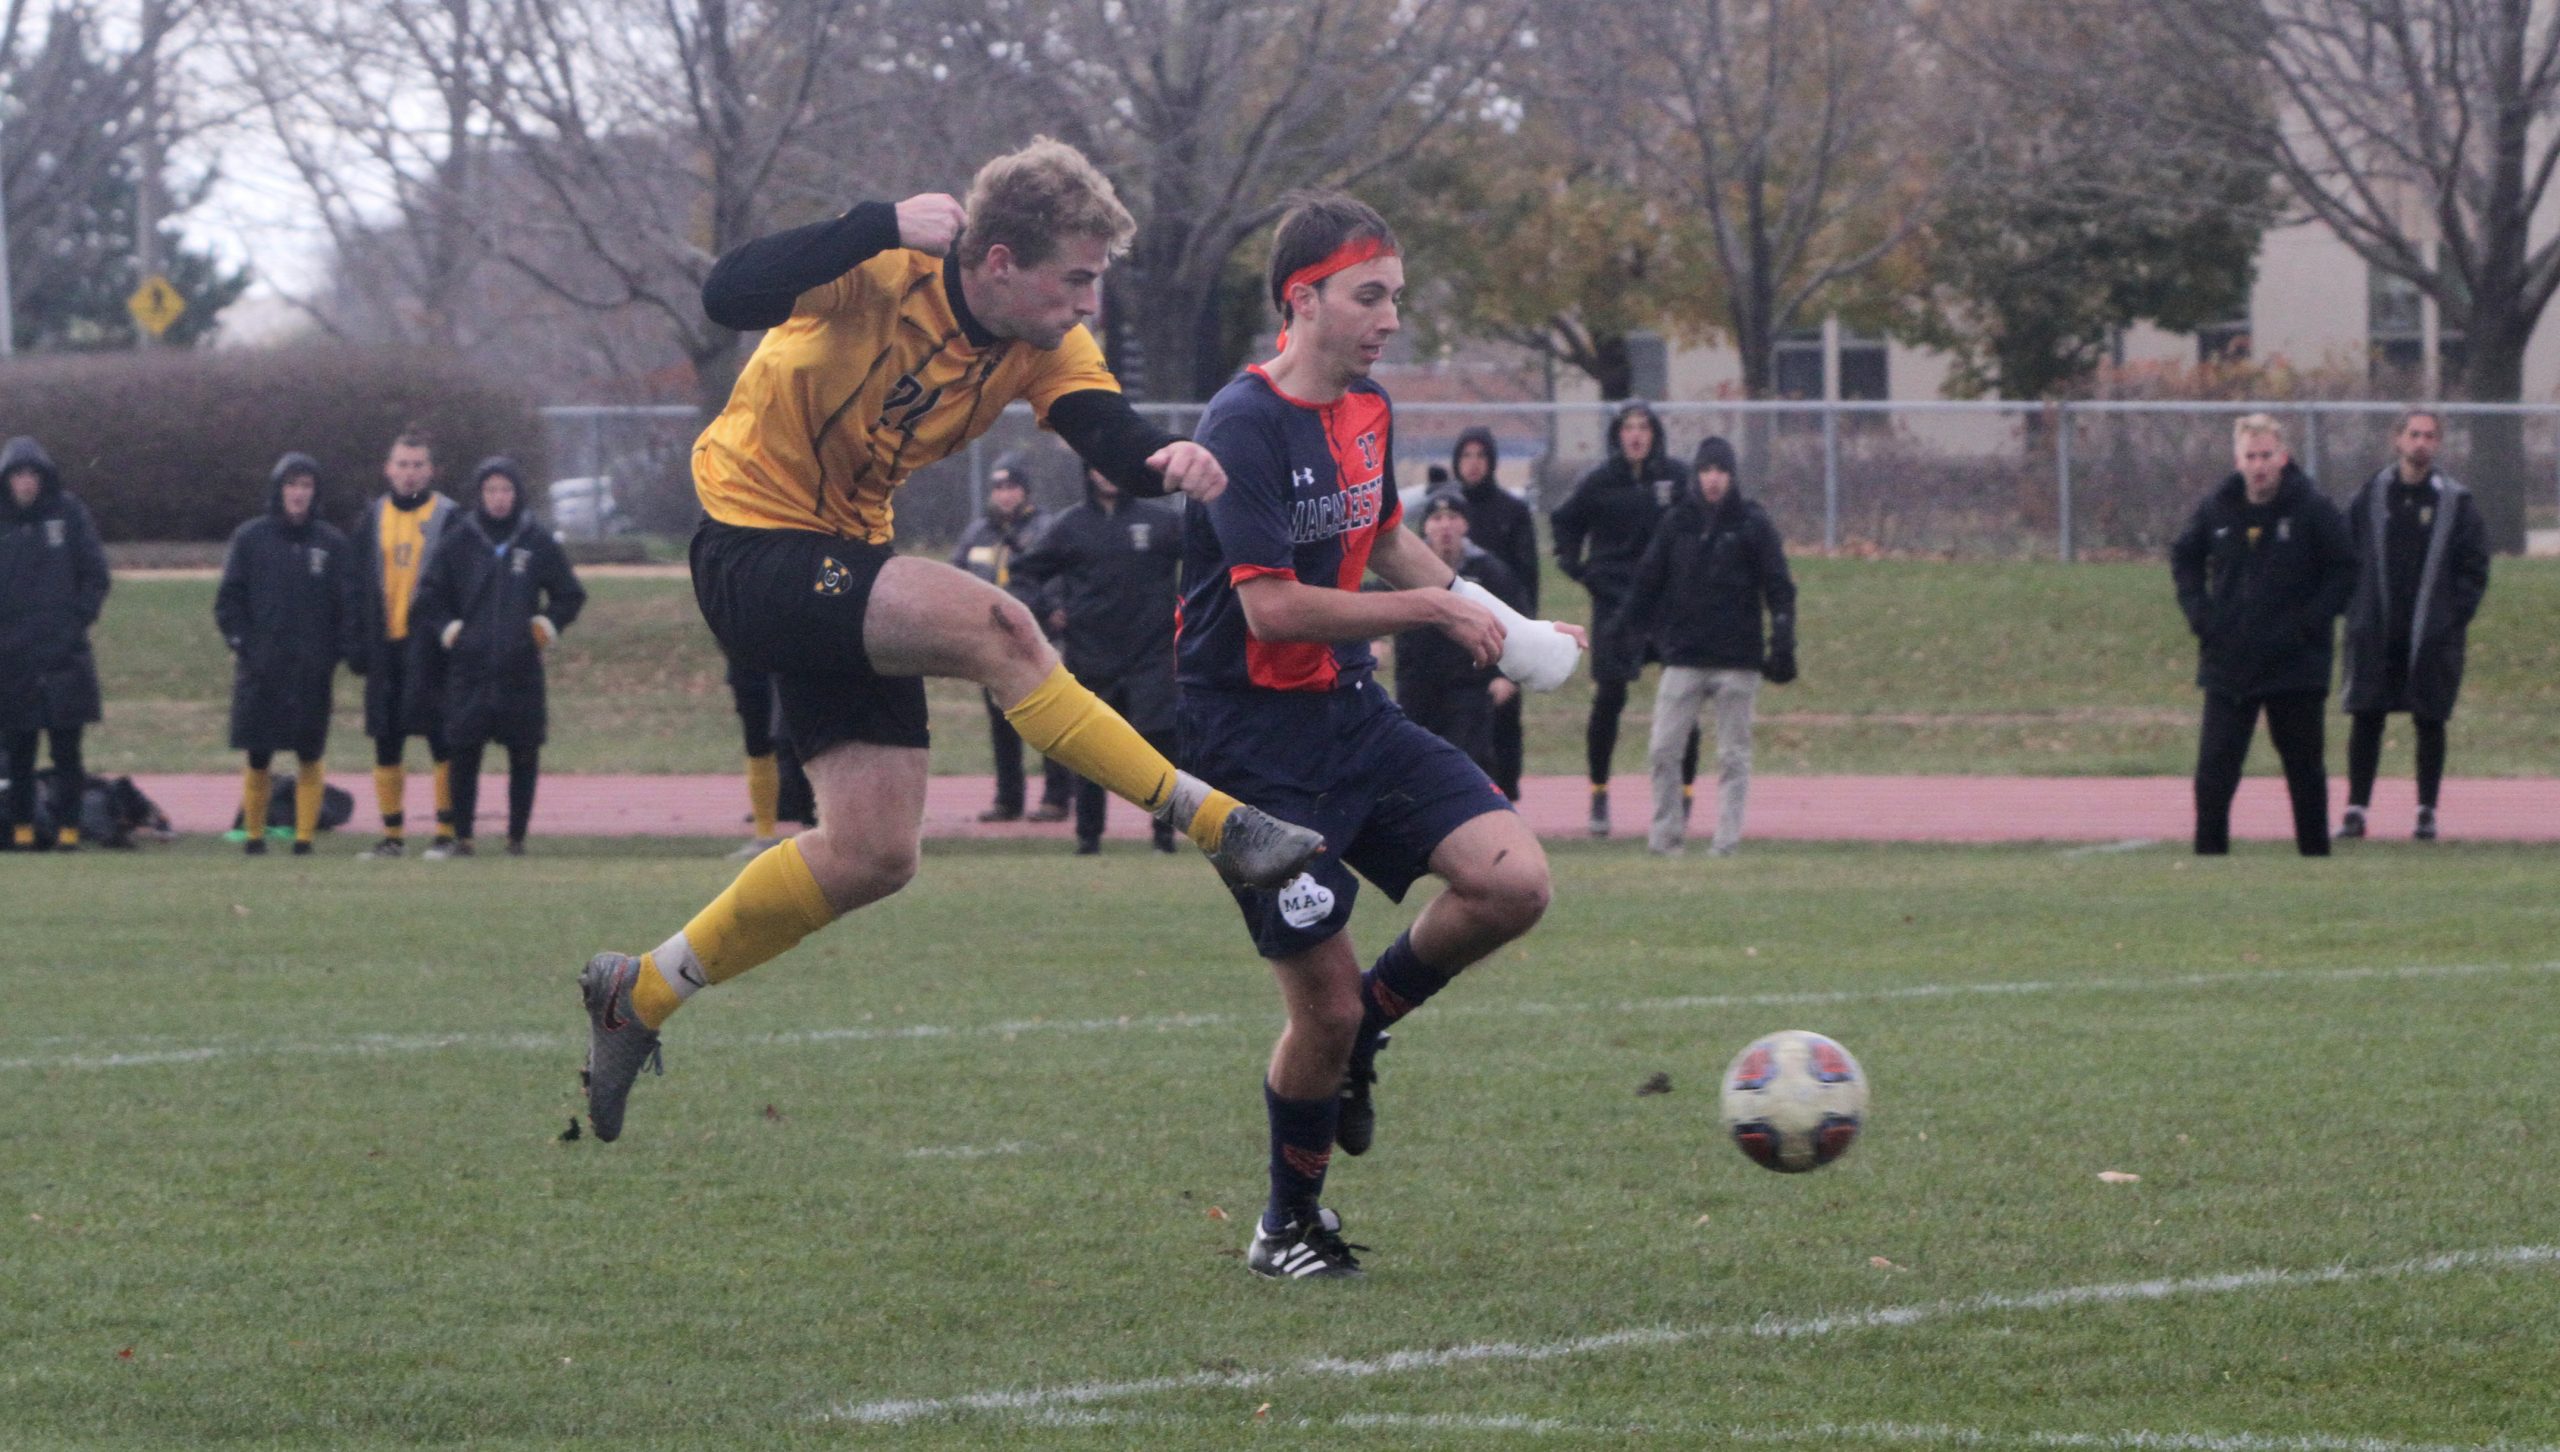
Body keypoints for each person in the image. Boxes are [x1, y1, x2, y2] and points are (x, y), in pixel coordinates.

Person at [575, 137, 1322, 1143]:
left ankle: (640, 992)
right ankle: (1220, 826)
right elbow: (727, 293)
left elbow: (1105, 428)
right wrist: (871, 220)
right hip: (750, 548)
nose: (1088, 303)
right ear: (1001, 262)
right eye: (1078, 279)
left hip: (843, 556)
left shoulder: (1044, 340)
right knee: (998, 624)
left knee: (875, 852)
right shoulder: (883, 264)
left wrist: (1167, 457)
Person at [1184, 192, 1585, 1278]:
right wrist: (1437, 615)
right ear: (1300, 299)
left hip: (1349, 711)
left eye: (1396, 297)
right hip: (1251, 749)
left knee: (1514, 882)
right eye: (1370, 296)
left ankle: (1370, 1026)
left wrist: (1503, 624)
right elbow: (1270, 609)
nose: (1390, 318)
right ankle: (1285, 1227)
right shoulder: (1242, 425)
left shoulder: (1367, 407)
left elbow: (1390, 542)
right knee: (1316, 1008)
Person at [2170, 413, 2356, 857]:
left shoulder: (2311, 507)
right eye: (2250, 456)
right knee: (2215, 769)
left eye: (2266, 455)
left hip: (2295, 664)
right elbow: (2184, 556)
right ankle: (2209, 857)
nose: (2259, 465)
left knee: (2304, 769)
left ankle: (2314, 858)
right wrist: (2202, 616)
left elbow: (2346, 567)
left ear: (2283, 456)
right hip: (2230, 661)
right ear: (2238, 460)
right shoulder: (2218, 507)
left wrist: (2311, 622)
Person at [1615, 436, 1796, 857]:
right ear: (1696, 475)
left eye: (1721, 471)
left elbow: (1779, 586)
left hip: (1738, 659)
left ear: (1732, 476)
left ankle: (1726, 842)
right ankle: (1666, 838)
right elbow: (1647, 580)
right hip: (1684, 655)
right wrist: (1627, 630)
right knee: (1663, 748)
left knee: (1733, 755)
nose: (1713, 479)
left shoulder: (1752, 523)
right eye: (1706, 470)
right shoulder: (1677, 522)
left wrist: (1782, 637)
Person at [411, 459, 587, 857]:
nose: (498, 498)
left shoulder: (536, 540)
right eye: (491, 490)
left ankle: (516, 838)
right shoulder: (459, 539)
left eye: (505, 490)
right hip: (469, 669)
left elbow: (570, 594)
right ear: (480, 494)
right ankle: (463, 838)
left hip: (520, 668)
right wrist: (450, 630)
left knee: (523, 752)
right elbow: (428, 597)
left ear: (517, 493)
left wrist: (546, 626)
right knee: (464, 752)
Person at [1010, 465, 1185, 855]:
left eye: (1113, 464)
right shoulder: (1069, 526)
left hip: (1152, 657)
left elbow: (1210, 563)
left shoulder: (1161, 521)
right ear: (1087, 472)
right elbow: (1024, 573)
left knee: (1160, 745)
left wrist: (1191, 614)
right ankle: (1088, 839)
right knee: (1092, 750)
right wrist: (1046, 610)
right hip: (1092, 658)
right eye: (1097, 465)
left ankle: (1164, 837)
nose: (1107, 474)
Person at [2338, 409, 2491, 842]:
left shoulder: (2455, 502)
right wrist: (2355, 609)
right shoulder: (2372, 495)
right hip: (2376, 628)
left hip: (2431, 634)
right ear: (2397, 439)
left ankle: (2426, 812)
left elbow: (2475, 567)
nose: (2420, 442)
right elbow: (2343, 555)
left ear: (2438, 444)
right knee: (2366, 715)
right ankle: (2355, 810)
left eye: (2429, 435)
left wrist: (2453, 617)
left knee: (2430, 719)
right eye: (2413, 434)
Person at [1553, 400, 1697, 836]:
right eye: (1628, 428)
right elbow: (1565, 523)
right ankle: (1599, 793)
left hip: (1666, 606)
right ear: (1617, 435)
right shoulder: (1599, 482)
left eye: (1644, 427)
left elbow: (1698, 525)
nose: (1636, 435)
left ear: (1655, 434)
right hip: (1615, 604)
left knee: (1681, 696)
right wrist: (1577, 568)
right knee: (1609, 698)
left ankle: (1683, 795)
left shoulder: (1676, 477)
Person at [214, 452, 363, 856]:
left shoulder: (331, 544)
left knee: (309, 753)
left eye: (306, 486)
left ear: (315, 493)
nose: (298, 494)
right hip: (261, 668)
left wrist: (339, 652)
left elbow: (347, 605)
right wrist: (243, 644)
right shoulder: (250, 538)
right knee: (259, 753)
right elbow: (229, 602)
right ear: (278, 490)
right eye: (291, 485)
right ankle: (255, 835)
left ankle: (303, 838)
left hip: (311, 670)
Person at [349, 426, 460, 858]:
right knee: (386, 739)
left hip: (429, 651)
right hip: (384, 649)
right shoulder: (372, 518)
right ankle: (392, 836)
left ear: (430, 470)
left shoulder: (450, 517)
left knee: (440, 739)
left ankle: (445, 833)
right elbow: (355, 587)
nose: (409, 474)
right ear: (387, 469)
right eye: (402, 465)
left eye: (417, 465)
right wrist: (356, 643)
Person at [0, 437, 109, 851]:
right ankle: (24, 832)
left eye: (33, 475)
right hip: (12, 659)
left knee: (67, 752)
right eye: (18, 476)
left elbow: (95, 574)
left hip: (65, 656)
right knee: (20, 753)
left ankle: (68, 833)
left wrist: (76, 621)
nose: (26, 484)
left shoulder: (69, 514)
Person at [949, 458, 1071, 823]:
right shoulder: (978, 532)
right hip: (992, 643)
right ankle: (1008, 799)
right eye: (998, 488)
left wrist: (1058, 607)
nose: (1005, 495)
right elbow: (958, 577)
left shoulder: (1045, 527)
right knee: (1002, 722)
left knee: (1049, 719)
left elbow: (1061, 571)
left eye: (1012, 487)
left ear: (1025, 491)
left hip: (1038, 640)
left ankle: (1056, 798)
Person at [1392, 492, 1528, 780]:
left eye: (1453, 517)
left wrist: (1507, 677)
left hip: (1469, 688)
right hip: (1417, 685)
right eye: (1437, 518)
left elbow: (1517, 622)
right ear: (1425, 526)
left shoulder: (1489, 571)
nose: (1445, 526)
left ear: (1466, 525)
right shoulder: (1406, 568)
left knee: (1465, 767)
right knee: (1414, 767)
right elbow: (1373, 601)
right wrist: (1373, 642)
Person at [1443, 426, 1538, 798]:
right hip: (1453, 644)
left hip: (1504, 635)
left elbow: (1526, 582)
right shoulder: (1445, 511)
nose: (1473, 464)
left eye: (1481, 456)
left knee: (1503, 723)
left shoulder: (1511, 512)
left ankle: (1508, 800)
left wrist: (1525, 644)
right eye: (1466, 456)